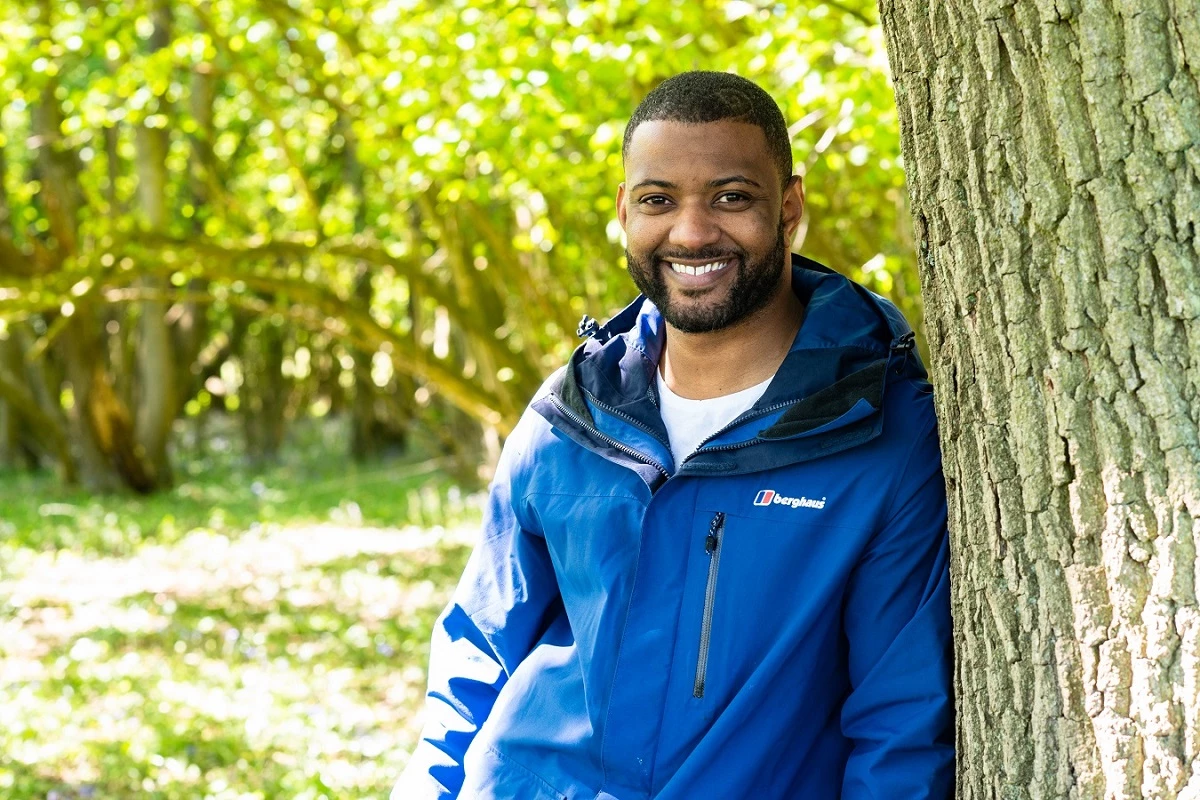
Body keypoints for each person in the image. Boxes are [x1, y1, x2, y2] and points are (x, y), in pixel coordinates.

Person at [394, 71, 953, 799]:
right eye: (659, 201)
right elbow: (479, 646)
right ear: (626, 211)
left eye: (731, 197)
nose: (691, 232)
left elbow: (900, 726)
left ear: (789, 207)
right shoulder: (570, 414)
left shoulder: (882, 435)